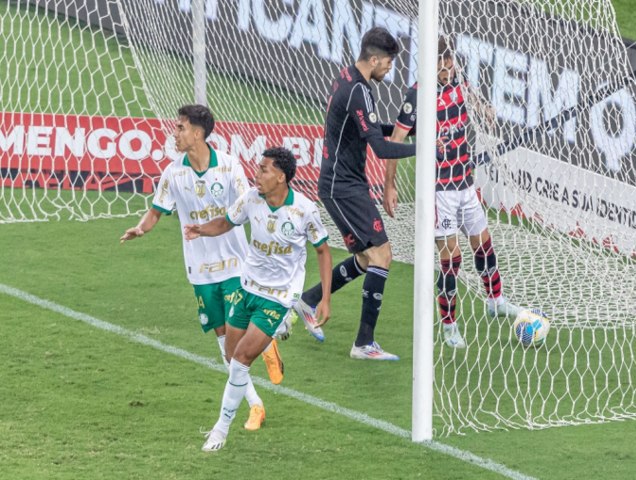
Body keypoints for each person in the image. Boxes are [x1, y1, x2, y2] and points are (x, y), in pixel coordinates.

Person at [120, 104, 286, 433]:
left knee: (235, 345)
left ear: (197, 133)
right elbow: (156, 211)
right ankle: (258, 392)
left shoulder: (228, 167)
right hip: (200, 272)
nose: (174, 133)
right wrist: (141, 228)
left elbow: (247, 204)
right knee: (225, 344)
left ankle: (256, 393)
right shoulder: (173, 173)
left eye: (180, 127)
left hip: (236, 266)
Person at [184, 146, 332, 452]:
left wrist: (326, 299)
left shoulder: (304, 210)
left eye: (264, 169)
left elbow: (322, 250)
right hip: (247, 287)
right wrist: (201, 230)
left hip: (276, 296)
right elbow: (226, 222)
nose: (257, 174)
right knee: (229, 353)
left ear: (281, 176)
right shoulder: (252, 198)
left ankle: (220, 430)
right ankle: (276, 333)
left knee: (240, 361)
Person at [383, 37, 522, 349]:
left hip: (464, 182)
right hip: (438, 191)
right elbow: (395, 139)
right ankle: (449, 327)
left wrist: (485, 109)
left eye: (450, 64)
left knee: (483, 243)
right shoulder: (417, 96)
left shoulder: (459, 79)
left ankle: (495, 300)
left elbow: (472, 98)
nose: (447, 71)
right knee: (452, 259)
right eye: (442, 66)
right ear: (430, 63)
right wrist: (389, 185)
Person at [294, 27, 417, 361]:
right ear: (374, 59)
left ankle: (308, 300)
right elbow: (379, 147)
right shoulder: (359, 91)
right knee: (382, 255)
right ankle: (364, 344)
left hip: (345, 184)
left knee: (366, 258)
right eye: (389, 63)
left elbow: (374, 129)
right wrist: (423, 150)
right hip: (342, 187)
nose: (390, 69)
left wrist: (410, 130)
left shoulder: (348, 78)